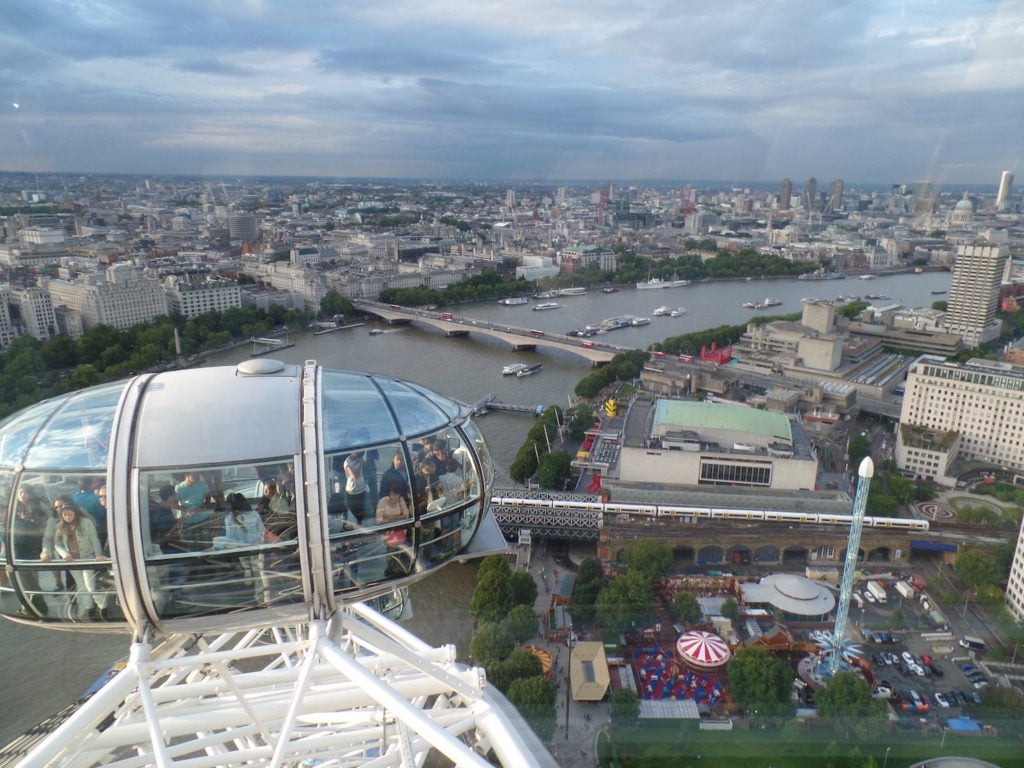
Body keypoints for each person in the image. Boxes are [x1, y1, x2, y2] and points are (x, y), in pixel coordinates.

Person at [41, 499, 111, 621]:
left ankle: (102, 606)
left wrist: (99, 555)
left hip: (87, 559)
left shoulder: (86, 523)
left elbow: (94, 540)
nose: (68, 517)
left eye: (70, 514)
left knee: (91, 586)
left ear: (75, 513)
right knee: (81, 586)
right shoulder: (59, 527)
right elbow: (57, 544)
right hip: (73, 562)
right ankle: (89, 608)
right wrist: (65, 555)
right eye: (65, 515)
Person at [11, 485, 51, 616]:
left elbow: (50, 518)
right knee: (28, 579)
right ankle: (36, 606)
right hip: (26, 546)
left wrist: (41, 529)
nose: (22, 495)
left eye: (25, 492)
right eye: (20, 492)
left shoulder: (36, 504)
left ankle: (34, 607)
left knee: (28, 580)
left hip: (31, 546)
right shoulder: (18, 507)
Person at [343, 451, 368, 522]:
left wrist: (361, 461)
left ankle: (360, 523)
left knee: (361, 509)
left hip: (361, 488)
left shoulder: (359, 459)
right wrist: (360, 464)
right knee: (353, 509)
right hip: (352, 491)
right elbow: (354, 476)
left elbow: (365, 466)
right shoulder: (347, 462)